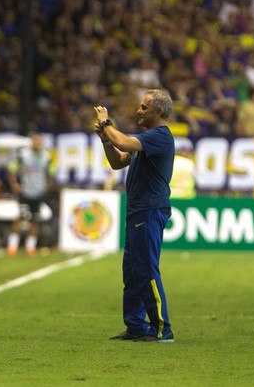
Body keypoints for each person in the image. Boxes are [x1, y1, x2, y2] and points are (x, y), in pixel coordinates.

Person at [94, 89, 175, 343]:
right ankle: (137, 327)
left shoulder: (160, 136)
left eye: (144, 107)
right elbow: (118, 161)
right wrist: (106, 140)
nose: (138, 111)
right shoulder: (147, 140)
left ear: (158, 112)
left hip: (150, 210)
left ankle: (162, 330)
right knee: (132, 272)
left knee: (147, 269)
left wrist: (107, 123)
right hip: (138, 210)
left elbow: (123, 143)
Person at [6, 134, 52, 256]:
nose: (38, 144)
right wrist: (14, 184)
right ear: (31, 142)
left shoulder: (46, 156)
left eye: (40, 142)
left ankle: (30, 247)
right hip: (25, 192)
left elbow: (51, 172)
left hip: (39, 192)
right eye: (35, 141)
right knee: (21, 217)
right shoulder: (22, 154)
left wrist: (47, 186)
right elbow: (11, 169)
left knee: (35, 219)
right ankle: (12, 245)